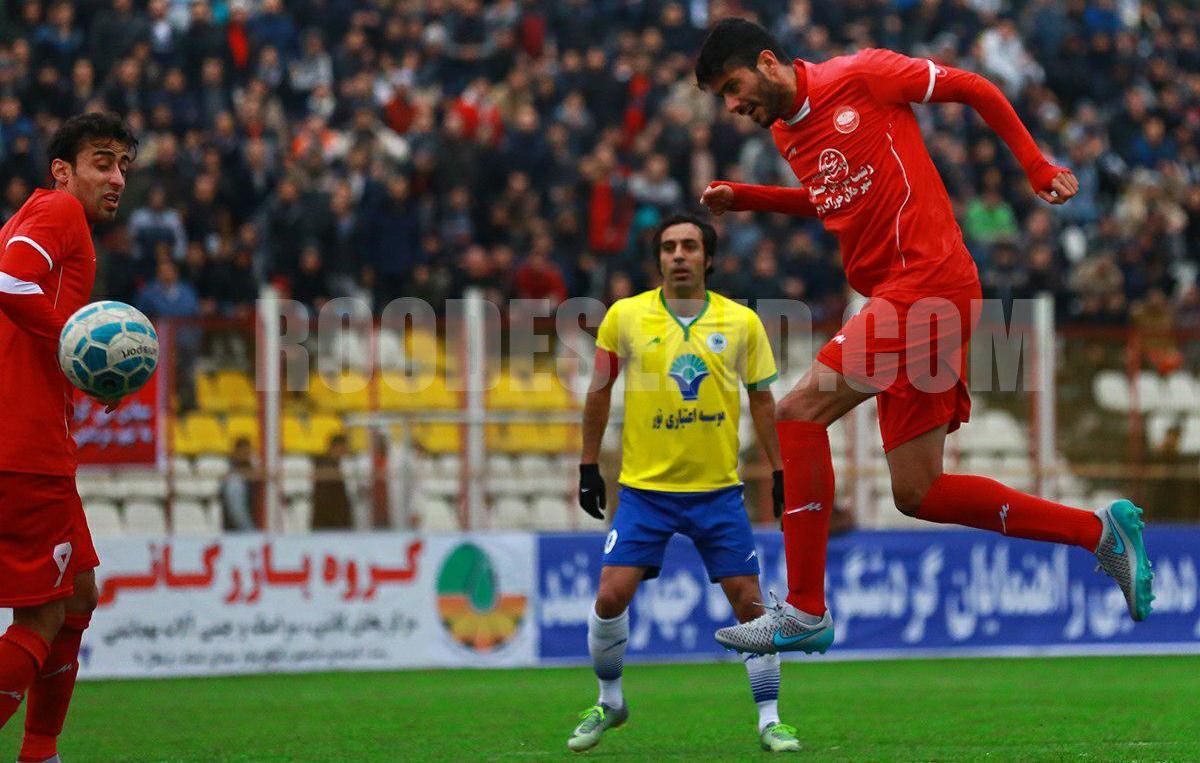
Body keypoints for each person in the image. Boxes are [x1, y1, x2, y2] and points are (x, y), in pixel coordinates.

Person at [693, 19, 1153, 655]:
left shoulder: (862, 76)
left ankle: (804, 607)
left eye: (732, 86)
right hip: (901, 295)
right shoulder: (784, 130)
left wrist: (1035, 164)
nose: (731, 104)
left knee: (798, 414)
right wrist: (747, 198)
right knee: (919, 491)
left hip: (928, 284)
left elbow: (973, 87)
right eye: (721, 97)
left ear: (769, 62)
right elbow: (833, 201)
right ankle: (1100, 534)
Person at [569, 214, 798, 753]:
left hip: (718, 492)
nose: (678, 255)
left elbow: (763, 401)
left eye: (689, 246)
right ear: (658, 260)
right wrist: (586, 466)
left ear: (708, 258)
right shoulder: (624, 317)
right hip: (644, 493)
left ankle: (770, 720)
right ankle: (610, 699)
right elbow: (599, 392)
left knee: (750, 606)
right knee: (609, 596)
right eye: (669, 247)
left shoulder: (741, 322)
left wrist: (782, 469)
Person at [0, 112, 137, 759]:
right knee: (43, 615)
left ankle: (41, 752)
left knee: (78, 592)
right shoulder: (60, 211)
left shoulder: (38, 212)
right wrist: (75, 346)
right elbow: (8, 278)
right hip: (23, 449)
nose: (117, 178)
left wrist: (84, 374)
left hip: (29, 440)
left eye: (124, 167)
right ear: (63, 169)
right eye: (102, 162)